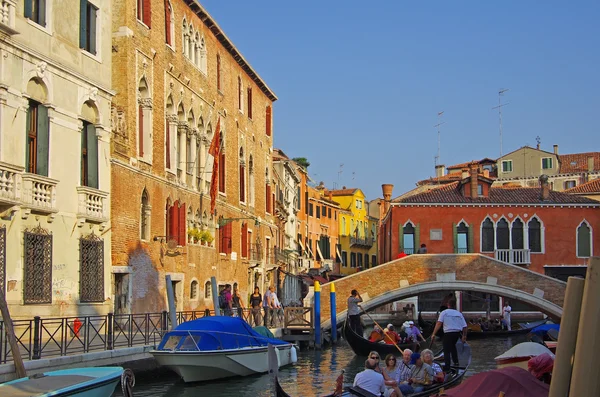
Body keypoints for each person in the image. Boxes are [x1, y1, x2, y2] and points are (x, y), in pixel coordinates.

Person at [429, 299, 467, 372]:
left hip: (448, 333)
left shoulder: (444, 312)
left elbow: (439, 323)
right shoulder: (459, 313)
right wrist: (464, 336)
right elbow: (465, 326)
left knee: (446, 351)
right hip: (457, 334)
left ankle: (447, 368)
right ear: (454, 305)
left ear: (448, 305)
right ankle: (456, 362)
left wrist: (433, 333)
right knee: (453, 347)